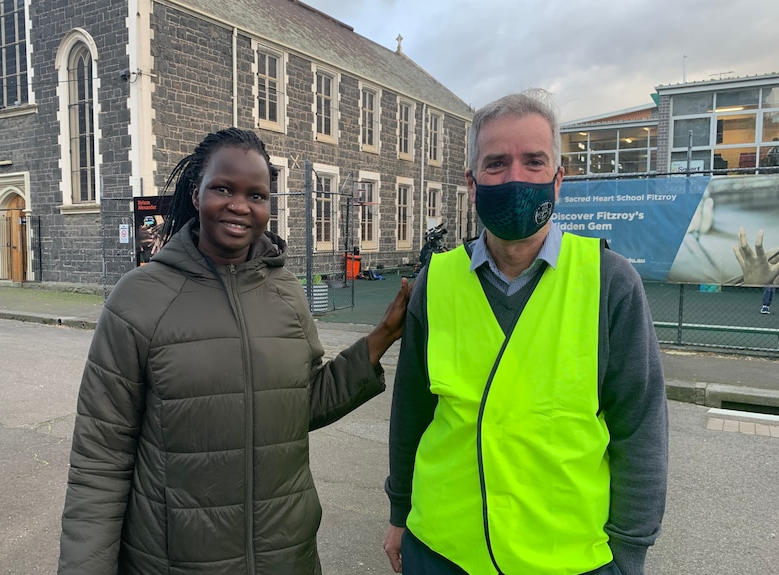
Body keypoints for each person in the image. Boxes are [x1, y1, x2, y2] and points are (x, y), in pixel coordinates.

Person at [58, 127, 411, 574]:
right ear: (195, 191)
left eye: (256, 195)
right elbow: (99, 457)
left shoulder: (285, 291)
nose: (240, 205)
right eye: (223, 188)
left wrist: (383, 335)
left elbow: (297, 404)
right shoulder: (138, 299)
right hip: (174, 561)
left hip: (285, 555)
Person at [382, 91, 668, 575]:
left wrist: (629, 553)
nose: (514, 178)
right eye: (495, 164)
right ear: (472, 183)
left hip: (568, 560)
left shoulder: (610, 282)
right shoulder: (436, 280)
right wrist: (399, 512)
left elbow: (640, 429)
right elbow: (412, 410)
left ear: (558, 180)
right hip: (442, 551)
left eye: (533, 161)